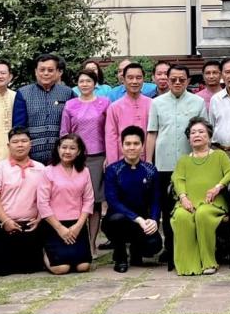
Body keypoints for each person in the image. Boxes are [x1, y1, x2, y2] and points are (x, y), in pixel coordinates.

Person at [147, 64, 207, 266]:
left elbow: (203, 133)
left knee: (191, 205)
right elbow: (152, 133)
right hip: (164, 163)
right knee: (167, 208)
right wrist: (149, 162)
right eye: (173, 79)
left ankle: (192, 245)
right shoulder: (156, 103)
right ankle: (170, 247)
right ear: (167, 80)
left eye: (182, 79)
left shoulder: (198, 102)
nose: (177, 82)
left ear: (188, 81)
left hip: (190, 163)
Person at [169, 118, 230, 276]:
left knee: (202, 214)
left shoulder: (219, 155)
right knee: (181, 216)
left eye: (201, 132)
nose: (196, 135)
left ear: (209, 137)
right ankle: (188, 265)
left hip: (213, 204)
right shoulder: (184, 160)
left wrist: (218, 187)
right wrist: (183, 198)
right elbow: (177, 179)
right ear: (189, 139)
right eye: (193, 133)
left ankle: (208, 261)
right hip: (188, 203)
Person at [60, 67, 110, 251]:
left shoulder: (104, 103)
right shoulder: (70, 105)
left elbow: (109, 130)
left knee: (95, 202)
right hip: (76, 157)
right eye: (81, 81)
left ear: (95, 84)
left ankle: (92, 243)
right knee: (76, 200)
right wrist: (66, 155)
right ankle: (77, 242)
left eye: (88, 81)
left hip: (98, 156)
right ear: (77, 84)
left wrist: (109, 155)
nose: (85, 84)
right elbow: (64, 132)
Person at [0, 126, 45, 276]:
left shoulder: (41, 168)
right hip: (3, 225)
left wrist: (40, 217)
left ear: (30, 144)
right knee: (1, 271)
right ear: (8, 145)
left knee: (31, 269)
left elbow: (46, 197)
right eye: (15, 142)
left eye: (24, 141)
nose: (20, 145)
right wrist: (5, 221)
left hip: (31, 226)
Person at [101, 125, 162, 272]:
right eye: (127, 144)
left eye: (136, 144)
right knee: (117, 220)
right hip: (117, 220)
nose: (132, 148)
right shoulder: (113, 170)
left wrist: (154, 219)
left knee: (154, 245)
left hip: (142, 222)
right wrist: (137, 218)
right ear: (122, 146)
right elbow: (113, 201)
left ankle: (136, 250)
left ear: (142, 146)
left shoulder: (150, 170)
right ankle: (120, 256)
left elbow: (156, 199)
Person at [38, 134, 94, 275]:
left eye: (72, 148)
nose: (67, 151)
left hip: (77, 224)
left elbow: (89, 200)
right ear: (58, 149)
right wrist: (60, 228)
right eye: (64, 147)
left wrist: (79, 226)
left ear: (79, 151)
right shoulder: (47, 171)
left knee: (83, 267)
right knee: (61, 269)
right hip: (54, 224)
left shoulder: (85, 171)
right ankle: (45, 254)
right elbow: (42, 203)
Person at [12, 53, 69, 164]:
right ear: (36, 71)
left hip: (61, 157)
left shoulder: (67, 93)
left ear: (57, 72)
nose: (46, 73)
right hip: (31, 158)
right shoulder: (23, 93)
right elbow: (19, 128)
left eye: (50, 70)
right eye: (42, 70)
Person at [104, 61, 152, 165]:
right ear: (124, 80)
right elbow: (111, 137)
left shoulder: (152, 104)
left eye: (138, 78)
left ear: (143, 80)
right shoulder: (114, 107)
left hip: (146, 160)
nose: (134, 81)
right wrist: (113, 164)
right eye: (130, 78)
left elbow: (153, 134)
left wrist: (149, 160)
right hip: (122, 160)